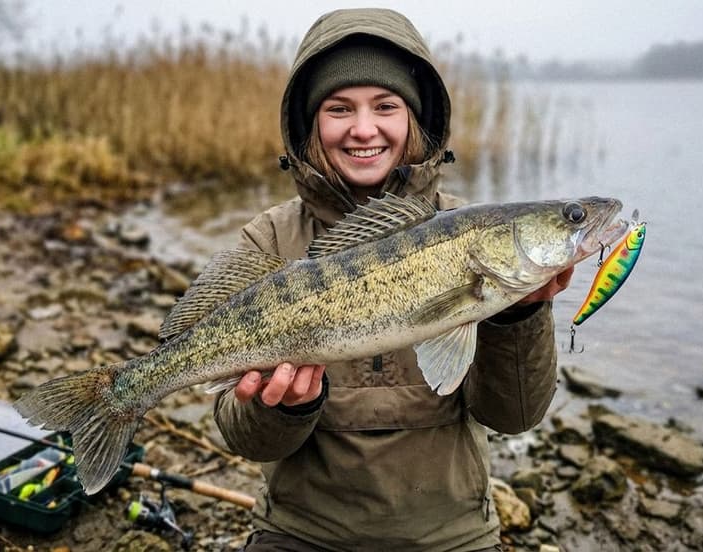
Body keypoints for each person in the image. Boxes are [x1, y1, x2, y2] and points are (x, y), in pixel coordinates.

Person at [214, 8, 573, 551]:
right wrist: (284, 408)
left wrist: (519, 315)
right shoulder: (270, 242)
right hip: (302, 533)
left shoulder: (470, 234)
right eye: (339, 109)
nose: (364, 129)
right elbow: (245, 440)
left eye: (386, 106)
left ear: (415, 118)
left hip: (451, 536)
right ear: (310, 124)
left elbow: (516, 417)